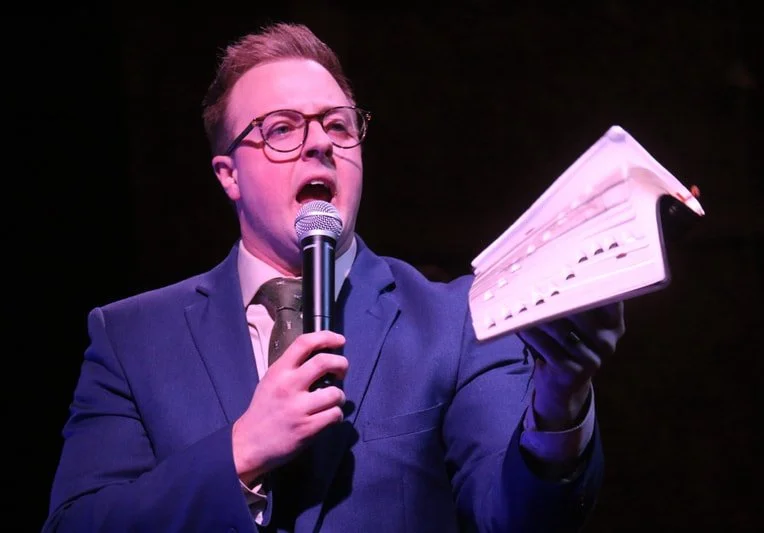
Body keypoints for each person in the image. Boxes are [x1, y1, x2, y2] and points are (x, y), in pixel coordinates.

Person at [44, 21, 625, 533]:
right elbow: (80, 523)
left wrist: (559, 404)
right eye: (281, 129)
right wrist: (241, 450)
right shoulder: (132, 338)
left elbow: (518, 520)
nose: (320, 143)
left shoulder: (454, 322)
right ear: (229, 175)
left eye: (338, 126)